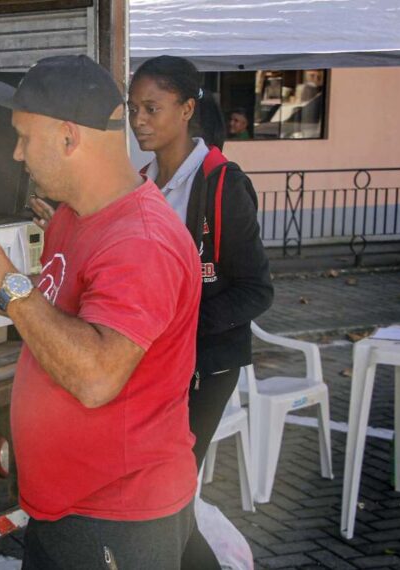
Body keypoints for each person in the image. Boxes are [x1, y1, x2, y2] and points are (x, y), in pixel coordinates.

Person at [0, 54, 201, 569]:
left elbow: (95, 375)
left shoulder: (140, 240)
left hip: (117, 519)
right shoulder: (73, 216)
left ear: (69, 138)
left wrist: (5, 280)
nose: (18, 153)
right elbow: (55, 314)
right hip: (67, 509)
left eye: (25, 137)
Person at [128, 55, 274, 568]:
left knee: (165, 495)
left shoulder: (220, 183)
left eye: (152, 108)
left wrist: (182, 334)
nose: (139, 120)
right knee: (154, 494)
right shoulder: (140, 185)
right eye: (132, 108)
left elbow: (257, 290)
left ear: (187, 108)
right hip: (151, 370)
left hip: (204, 368)